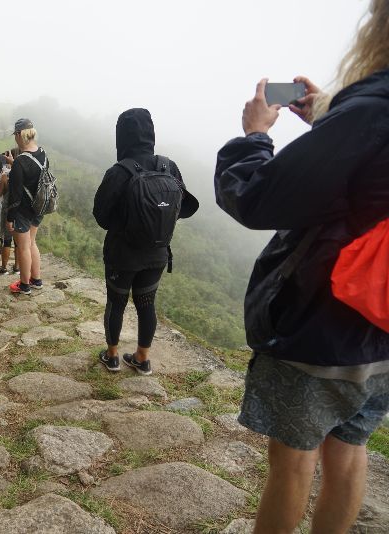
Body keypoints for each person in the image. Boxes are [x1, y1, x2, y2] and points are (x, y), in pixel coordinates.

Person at [214, 2, 389, 532]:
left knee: (293, 463)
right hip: (381, 327)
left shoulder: (373, 110)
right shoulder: (364, 113)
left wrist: (253, 137)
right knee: (349, 452)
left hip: (323, 323)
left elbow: (256, 199)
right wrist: (331, 116)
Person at [93, 109, 198, 375]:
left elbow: (101, 216)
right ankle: (142, 358)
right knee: (146, 303)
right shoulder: (168, 166)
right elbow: (183, 208)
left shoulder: (119, 171)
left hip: (122, 254)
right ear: (151, 132)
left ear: (121, 136)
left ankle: (113, 355)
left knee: (116, 303)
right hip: (157, 252)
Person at [6, 118, 48, 295]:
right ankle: (36, 280)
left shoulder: (21, 161)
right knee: (32, 243)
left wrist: (10, 219)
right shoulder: (43, 153)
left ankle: (24, 285)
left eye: (15, 135)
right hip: (39, 207)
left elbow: (15, 196)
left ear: (19, 134)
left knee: (23, 247)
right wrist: (14, 164)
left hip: (23, 211)